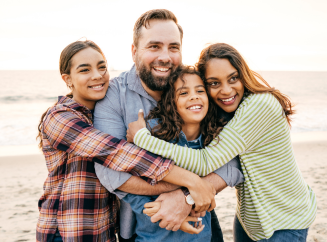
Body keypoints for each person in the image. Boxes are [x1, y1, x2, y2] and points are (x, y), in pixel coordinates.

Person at [127, 43, 317, 242]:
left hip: (284, 220)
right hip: (250, 220)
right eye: (214, 83)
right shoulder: (227, 112)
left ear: (243, 74)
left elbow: (204, 162)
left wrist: (142, 138)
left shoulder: (260, 105)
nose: (226, 90)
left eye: (233, 78)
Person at [35, 40, 216, 242]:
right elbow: (116, 153)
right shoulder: (60, 117)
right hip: (67, 231)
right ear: (68, 79)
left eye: (102, 67)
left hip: (104, 230)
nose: (97, 75)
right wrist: (191, 182)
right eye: (85, 70)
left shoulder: (101, 113)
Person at [93, 10, 244, 242]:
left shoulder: (197, 88)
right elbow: (111, 172)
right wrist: (187, 186)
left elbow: (233, 159)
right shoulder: (114, 96)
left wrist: (186, 197)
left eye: (173, 47)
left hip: (199, 218)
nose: (165, 57)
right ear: (134, 51)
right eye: (154, 46)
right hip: (140, 227)